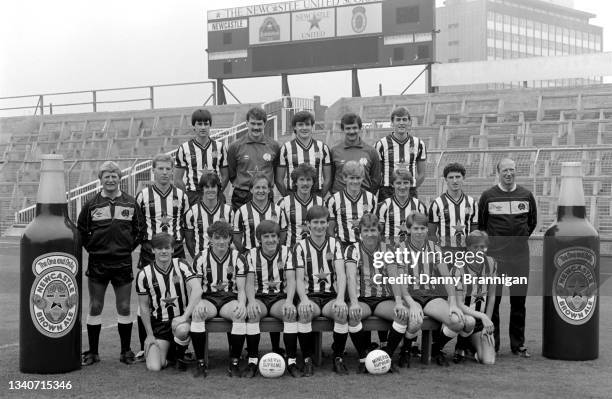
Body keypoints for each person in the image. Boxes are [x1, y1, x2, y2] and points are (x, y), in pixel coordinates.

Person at [78, 161, 145, 366]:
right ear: (100, 179)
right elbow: (81, 232)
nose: (110, 179)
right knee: (95, 305)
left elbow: (139, 231)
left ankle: (125, 351)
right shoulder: (91, 204)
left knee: (124, 307)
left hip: (122, 262)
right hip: (98, 262)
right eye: (106, 176)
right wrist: (95, 249)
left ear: (119, 178)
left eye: (113, 176)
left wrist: (126, 249)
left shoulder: (131, 203)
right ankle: (93, 352)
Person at [344, 213, 422, 373]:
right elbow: (351, 277)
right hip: (362, 299)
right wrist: (354, 303)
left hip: (382, 299)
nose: (369, 234)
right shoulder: (352, 249)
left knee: (403, 315)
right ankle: (363, 359)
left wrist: (399, 303)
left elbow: (394, 277)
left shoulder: (388, 248)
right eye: (366, 230)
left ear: (379, 231)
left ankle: (386, 358)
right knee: (353, 316)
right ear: (360, 232)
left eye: (373, 230)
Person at [478, 158, 537, 357]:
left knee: (519, 303)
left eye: (512, 170)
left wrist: (517, 241)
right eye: (505, 170)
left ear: (516, 172)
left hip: (520, 258)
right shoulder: (488, 196)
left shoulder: (526, 195)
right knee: (493, 302)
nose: (509, 174)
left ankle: (518, 345)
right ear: (498, 172)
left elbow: (531, 223)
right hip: (496, 258)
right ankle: (492, 344)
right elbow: (482, 225)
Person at [135, 153, 189, 361]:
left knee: (180, 295)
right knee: (146, 297)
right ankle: (146, 344)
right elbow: (138, 225)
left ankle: (181, 344)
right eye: (161, 169)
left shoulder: (181, 196)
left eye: (168, 169)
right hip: (151, 251)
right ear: (153, 170)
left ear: (173, 170)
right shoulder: (143, 196)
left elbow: (185, 224)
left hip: (175, 250)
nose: (165, 173)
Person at [400, 212, 465, 367]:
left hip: (430, 297)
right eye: (415, 228)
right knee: (415, 321)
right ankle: (406, 350)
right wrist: (411, 303)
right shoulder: (400, 248)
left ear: (427, 229)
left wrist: (453, 302)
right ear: (408, 229)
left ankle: (435, 348)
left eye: (423, 228)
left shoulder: (434, 248)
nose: (419, 231)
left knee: (457, 322)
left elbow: (446, 276)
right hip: (409, 296)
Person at [136, 233, 205, 374]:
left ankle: (180, 358)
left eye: (167, 248)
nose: (163, 251)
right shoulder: (144, 274)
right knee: (154, 367)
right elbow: (143, 307)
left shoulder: (181, 264)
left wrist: (184, 317)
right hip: (160, 326)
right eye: (159, 248)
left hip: (180, 322)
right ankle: (172, 357)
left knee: (182, 330)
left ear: (172, 249)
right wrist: (149, 335)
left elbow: (197, 290)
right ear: (152, 250)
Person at [294, 206, 347, 376]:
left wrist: (340, 299)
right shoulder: (300, 246)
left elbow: (341, 274)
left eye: (322, 222)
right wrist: (303, 299)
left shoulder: (335, 243)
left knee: (341, 312)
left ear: (327, 223)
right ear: (308, 225)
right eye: (315, 222)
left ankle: (338, 357)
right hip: (310, 296)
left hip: (331, 296)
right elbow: (299, 278)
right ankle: (307, 359)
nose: (319, 226)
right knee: (305, 312)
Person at [192, 221, 248, 377]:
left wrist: (242, 304)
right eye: (217, 238)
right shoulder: (201, 258)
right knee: (198, 314)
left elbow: (242, 289)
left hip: (229, 299)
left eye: (225, 237)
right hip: (208, 298)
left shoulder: (238, 258)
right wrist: (198, 304)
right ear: (210, 239)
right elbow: (196, 289)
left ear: (230, 238)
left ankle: (234, 363)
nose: (221, 241)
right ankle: (200, 363)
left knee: (239, 314)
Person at [242, 220, 296, 378]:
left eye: (274, 236)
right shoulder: (251, 254)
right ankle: (252, 361)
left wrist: (289, 301)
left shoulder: (287, 252)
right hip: (259, 297)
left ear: (279, 238)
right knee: (252, 313)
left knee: (289, 313)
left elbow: (291, 280)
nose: (270, 240)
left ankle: (291, 361)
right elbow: (249, 282)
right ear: (259, 238)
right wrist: (251, 301)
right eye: (266, 236)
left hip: (280, 297)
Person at [452, 231, 497, 365]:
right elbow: (459, 304)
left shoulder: (491, 263)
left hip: (480, 321)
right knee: (468, 321)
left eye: (482, 247)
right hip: (463, 317)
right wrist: (483, 317)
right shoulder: (459, 267)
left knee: (488, 361)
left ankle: (473, 347)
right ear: (468, 248)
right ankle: (460, 347)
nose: (479, 251)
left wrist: (486, 322)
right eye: (475, 247)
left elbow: (492, 296)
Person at [227, 107, 280, 210]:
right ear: (247, 123)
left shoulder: (274, 146)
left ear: (265, 124)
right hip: (242, 195)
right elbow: (232, 174)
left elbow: (276, 172)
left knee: (266, 226)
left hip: (265, 193)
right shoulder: (235, 146)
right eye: (253, 123)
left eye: (259, 124)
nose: (256, 127)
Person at [174, 108, 229, 206]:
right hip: (193, 195)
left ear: (210, 126)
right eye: (199, 124)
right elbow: (177, 179)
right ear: (194, 126)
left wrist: (218, 191)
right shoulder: (184, 148)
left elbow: (225, 176)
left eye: (206, 124)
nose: (203, 127)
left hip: (215, 194)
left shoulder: (220, 147)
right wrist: (187, 195)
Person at [276, 111, 332, 198]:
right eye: (300, 125)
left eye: (307, 124)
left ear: (312, 126)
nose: (304, 128)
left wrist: (320, 197)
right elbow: (279, 179)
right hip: (293, 194)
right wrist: (287, 197)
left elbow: (328, 179)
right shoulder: (285, 148)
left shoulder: (322, 147)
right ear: (295, 127)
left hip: (316, 194)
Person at [374, 107, 426, 201]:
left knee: (410, 216)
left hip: (409, 190)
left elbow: (422, 174)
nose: (401, 123)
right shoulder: (381, 144)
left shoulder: (419, 144)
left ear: (410, 122)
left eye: (404, 119)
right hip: (387, 191)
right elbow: (377, 174)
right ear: (392, 122)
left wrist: (411, 187)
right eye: (398, 119)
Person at [326, 160, 377, 249]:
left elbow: (374, 226)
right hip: (342, 245)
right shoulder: (334, 200)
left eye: (358, 178)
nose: (355, 181)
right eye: (351, 178)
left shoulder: (371, 199)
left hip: (364, 246)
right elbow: (330, 229)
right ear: (344, 178)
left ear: (363, 178)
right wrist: (335, 247)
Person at [184, 171, 234, 258]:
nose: (210, 190)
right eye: (207, 187)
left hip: (223, 259)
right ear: (202, 189)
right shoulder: (191, 212)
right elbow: (189, 241)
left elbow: (231, 237)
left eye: (213, 186)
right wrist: (197, 259)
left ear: (218, 188)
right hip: (201, 260)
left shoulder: (228, 211)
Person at [233, 172, 287, 254]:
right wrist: (245, 253)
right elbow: (236, 237)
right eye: (257, 187)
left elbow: (283, 234)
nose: (261, 191)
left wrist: (276, 249)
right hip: (250, 258)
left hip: (273, 256)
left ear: (269, 190)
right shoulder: (241, 211)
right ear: (251, 189)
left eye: (264, 187)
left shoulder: (278, 211)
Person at [428, 162, 478, 249]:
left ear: (464, 178)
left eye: (458, 177)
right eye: (451, 177)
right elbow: (432, 234)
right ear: (446, 179)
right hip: (445, 253)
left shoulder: (472, 203)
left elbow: (474, 232)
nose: (454, 181)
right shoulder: (437, 203)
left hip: (466, 252)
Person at [330, 113, 381, 194]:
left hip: (363, 201)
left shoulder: (371, 151)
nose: (351, 131)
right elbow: (330, 178)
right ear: (343, 130)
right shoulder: (334, 151)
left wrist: (367, 196)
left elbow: (376, 179)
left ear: (360, 128)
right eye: (348, 128)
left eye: (354, 128)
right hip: (340, 201)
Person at [277, 163, 325, 249]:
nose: (305, 183)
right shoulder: (284, 202)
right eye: (301, 180)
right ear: (295, 182)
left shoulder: (321, 202)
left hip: (314, 250)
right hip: (291, 250)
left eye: (308, 180)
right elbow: (278, 231)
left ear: (313, 182)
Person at [377, 168, 427, 243]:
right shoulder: (384, 206)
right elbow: (378, 234)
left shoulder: (419, 206)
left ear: (411, 184)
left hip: (412, 251)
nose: (402, 187)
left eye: (406, 183)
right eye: (398, 183)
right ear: (392, 184)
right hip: (390, 251)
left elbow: (424, 232)